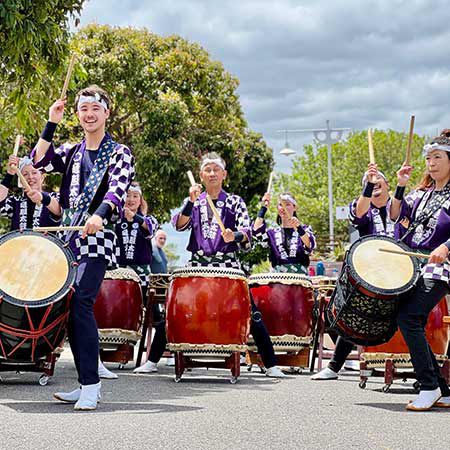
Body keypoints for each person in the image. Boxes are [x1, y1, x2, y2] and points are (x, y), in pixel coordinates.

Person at [31, 85, 134, 410]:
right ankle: (84, 381)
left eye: (95, 109)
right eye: (83, 109)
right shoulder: (71, 152)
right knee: (70, 310)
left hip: (97, 239)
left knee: (81, 303)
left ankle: (91, 385)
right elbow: (38, 161)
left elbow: (118, 189)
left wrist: (101, 215)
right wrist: (51, 122)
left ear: (106, 113)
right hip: (69, 240)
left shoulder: (119, 152)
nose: (89, 114)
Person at [171, 152, 285, 378]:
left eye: (216, 169)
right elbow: (179, 225)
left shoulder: (234, 202)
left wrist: (235, 236)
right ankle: (153, 359)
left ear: (224, 174)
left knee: (252, 313)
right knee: (180, 309)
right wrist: (190, 202)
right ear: (201, 175)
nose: (212, 173)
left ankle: (271, 364)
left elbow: (248, 232)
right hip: (199, 265)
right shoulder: (194, 202)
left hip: (227, 265)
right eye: (207, 170)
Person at [312, 163, 396, 381]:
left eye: (379, 181)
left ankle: (424, 370)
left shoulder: (399, 206)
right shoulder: (360, 206)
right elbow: (359, 212)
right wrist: (367, 186)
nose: (375, 184)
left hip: (399, 271)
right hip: (371, 270)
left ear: (388, 185)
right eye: (370, 183)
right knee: (356, 313)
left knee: (411, 316)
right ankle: (333, 367)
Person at [389, 131, 450, 411]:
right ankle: (442, 390)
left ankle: (428, 385)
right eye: (428, 158)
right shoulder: (422, 195)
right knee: (409, 318)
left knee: (409, 317)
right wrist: (400, 186)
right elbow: (395, 214)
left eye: (437, 157)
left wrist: (446, 247)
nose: (431, 163)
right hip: (414, 265)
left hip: (440, 268)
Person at [253, 192, 316, 274]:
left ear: (295, 207)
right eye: (280, 205)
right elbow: (256, 230)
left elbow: (309, 244)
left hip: (300, 281)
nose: (283, 208)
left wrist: (299, 228)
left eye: (287, 204)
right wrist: (264, 207)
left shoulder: (305, 230)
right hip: (278, 280)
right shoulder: (272, 233)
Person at [0, 154, 61, 229]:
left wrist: (42, 197)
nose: (30, 177)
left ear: (42, 177)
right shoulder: (15, 202)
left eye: (34, 172)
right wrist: (10, 174)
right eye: (25, 174)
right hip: (19, 240)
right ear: (21, 181)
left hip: (47, 240)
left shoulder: (54, 197)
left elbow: (60, 211)